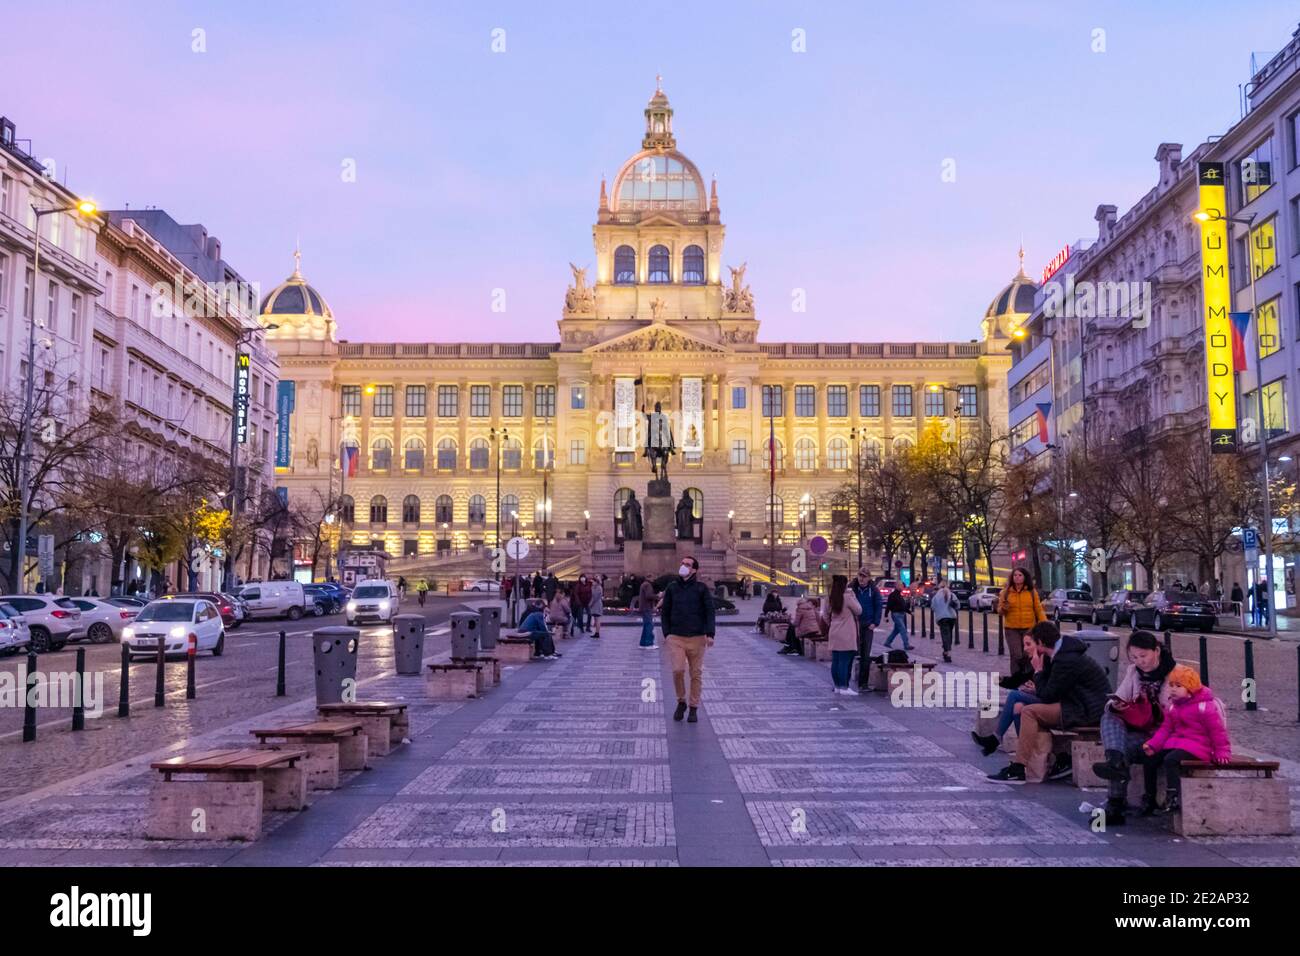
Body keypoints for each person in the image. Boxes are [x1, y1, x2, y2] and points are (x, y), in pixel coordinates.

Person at [988, 621, 1110, 784]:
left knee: (1029, 711)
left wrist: (1038, 671)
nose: (1031, 648)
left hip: (1085, 710)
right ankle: (1056, 758)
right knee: (1021, 706)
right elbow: (1049, 690)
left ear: (1041, 643)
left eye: (1034, 643)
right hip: (1076, 704)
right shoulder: (1062, 654)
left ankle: (1019, 768)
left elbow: (1048, 695)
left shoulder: (1066, 660)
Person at [1090, 630, 1175, 825]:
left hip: (1163, 734)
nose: (1139, 661)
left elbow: (1184, 713)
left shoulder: (1176, 674)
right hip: (1140, 729)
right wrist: (1116, 704)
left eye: (1143, 656)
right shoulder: (1133, 672)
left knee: (1122, 748)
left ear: (1156, 651)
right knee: (1109, 716)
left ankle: (1115, 803)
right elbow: (1120, 696)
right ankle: (1115, 762)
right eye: (1134, 657)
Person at [1139, 665, 1231, 815]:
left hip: (1199, 747)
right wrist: (1153, 745)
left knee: (1171, 760)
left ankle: (1173, 797)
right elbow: (1165, 729)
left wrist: (1222, 752)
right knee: (1150, 758)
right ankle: (1150, 797)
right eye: (1171, 685)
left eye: (1178, 686)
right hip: (1178, 743)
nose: (1173, 689)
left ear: (1190, 689)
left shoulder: (1204, 707)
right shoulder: (1173, 706)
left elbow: (1217, 731)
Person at [660, 555, 715, 724]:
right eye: (682, 563)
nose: (683, 566)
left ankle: (693, 707)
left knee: (696, 674)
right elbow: (665, 611)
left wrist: (710, 633)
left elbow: (709, 611)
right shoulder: (672, 587)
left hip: (697, 637)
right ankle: (681, 701)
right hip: (676, 636)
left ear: (694, 570)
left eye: (688, 564)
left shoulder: (701, 588)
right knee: (677, 670)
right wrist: (667, 634)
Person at [971, 632, 1041, 756]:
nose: (1024, 649)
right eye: (1024, 645)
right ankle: (1023, 754)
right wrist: (1002, 681)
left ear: (1039, 643)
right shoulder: (1032, 661)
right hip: (1040, 697)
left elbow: (1051, 688)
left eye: (1028, 644)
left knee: (1014, 695)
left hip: (1051, 703)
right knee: (1018, 706)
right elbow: (1019, 679)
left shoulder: (1044, 660)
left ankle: (995, 739)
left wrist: (1036, 682)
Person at [995, 567, 1044, 675]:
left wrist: (1044, 624)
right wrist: (1004, 608)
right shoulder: (1006, 592)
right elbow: (999, 611)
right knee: (1016, 654)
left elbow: (1038, 609)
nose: (1017, 577)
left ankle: (1028, 678)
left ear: (1025, 577)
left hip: (1029, 628)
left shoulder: (1031, 592)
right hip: (1011, 629)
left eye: (1020, 575)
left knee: (1028, 654)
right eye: (1015, 575)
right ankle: (1016, 678)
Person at [821, 574, 862, 695]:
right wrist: (853, 595)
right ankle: (844, 687)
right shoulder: (848, 597)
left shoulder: (831, 598)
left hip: (834, 632)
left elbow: (825, 616)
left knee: (836, 661)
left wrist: (833, 624)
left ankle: (837, 686)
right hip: (847, 633)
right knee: (845, 661)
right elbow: (859, 610)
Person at [849, 571, 883, 688]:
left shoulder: (873, 590)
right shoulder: (852, 588)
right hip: (854, 624)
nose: (861, 579)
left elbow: (878, 606)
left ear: (868, 578)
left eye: (864, 577)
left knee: (866, 654)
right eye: (860, 576)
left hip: (868, 624)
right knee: (850, 652)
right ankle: (846, 681)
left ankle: (863, 683)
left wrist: (875, 622)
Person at [930, 578, 959, 663]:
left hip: (942, 618)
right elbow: (958, 606)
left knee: (945, 636)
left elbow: (933, 607)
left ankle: (947, 652)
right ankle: (946, 651)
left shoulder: (936, 596)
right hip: (952, 617)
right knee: (949, 635)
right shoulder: (952, 594)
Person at [881, 585, 911, 652]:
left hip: (901, 614)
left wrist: (909, 612)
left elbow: (903, 606)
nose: (903, 588)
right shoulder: (893, 595)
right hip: (896, 614)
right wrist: (886, 615)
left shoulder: (899, 595)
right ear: (897, 587)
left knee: (896, 630)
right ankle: (906, 645)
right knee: (903, 629)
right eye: (902, 587)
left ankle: (887, 642)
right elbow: (888, 605)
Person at [636, 577, 658, 648]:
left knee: (646, 625)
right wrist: (658, 596)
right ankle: (649, 643)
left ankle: (643, 643)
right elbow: (648, 596)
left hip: (644, 607)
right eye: (653, 577)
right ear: (649, 577)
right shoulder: (648, 585)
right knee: (649, 625)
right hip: (647, 607)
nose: (654, 578)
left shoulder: (644, 584)